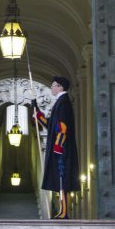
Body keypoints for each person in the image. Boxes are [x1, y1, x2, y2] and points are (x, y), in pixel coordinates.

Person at [32, 76, 80, 219]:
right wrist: (37, 111)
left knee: (62, 179)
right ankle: (62, 210)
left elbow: (62, 126)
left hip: (62, 148)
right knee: (59, 179)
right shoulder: (59, 102)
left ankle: (64, 212)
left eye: (53, 85)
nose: (51, 88)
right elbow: (51, 125)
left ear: (60, 87)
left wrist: (59, 145)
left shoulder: (64, 102)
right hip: (59, 146)